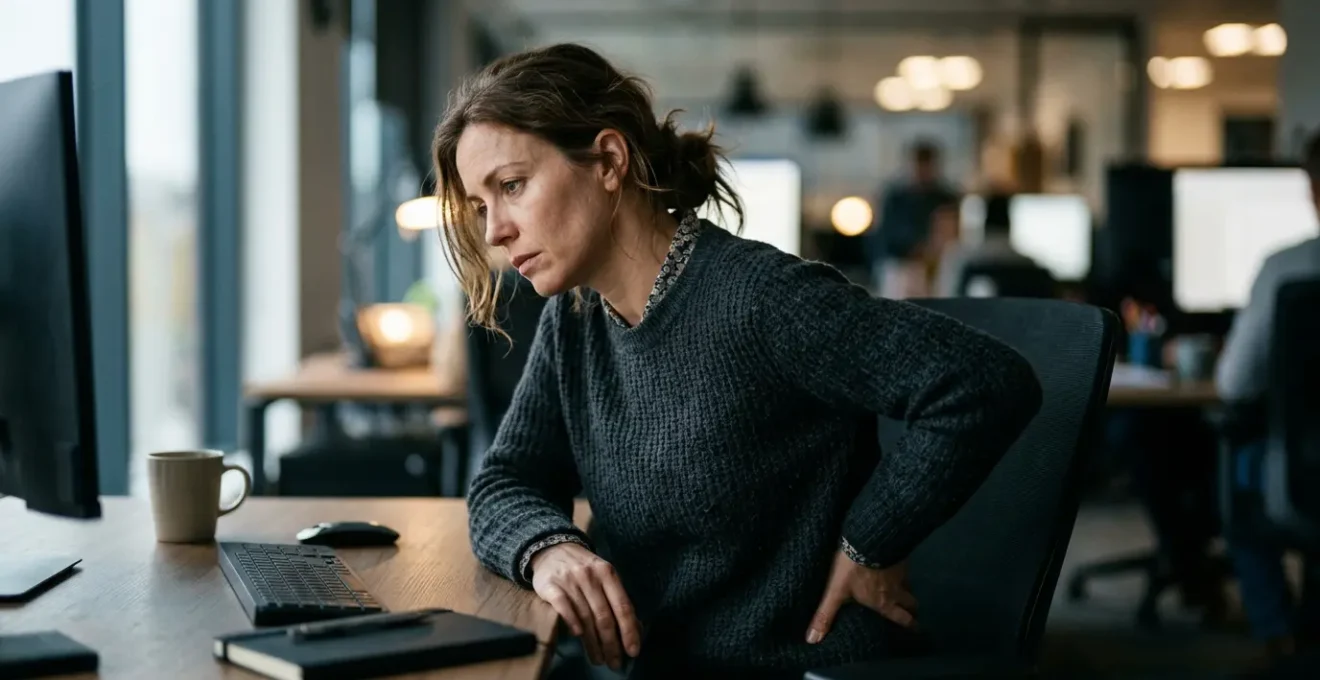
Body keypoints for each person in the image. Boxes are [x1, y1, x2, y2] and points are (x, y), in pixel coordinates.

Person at [435, 43, 1043, 678]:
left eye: (512, 186)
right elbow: (504, 479)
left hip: (781, 667)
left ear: (609, 161)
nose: (494, 231)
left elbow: (984, 381)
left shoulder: (762, 300)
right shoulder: (577, 316)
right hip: (648, 665)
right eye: (481, 206)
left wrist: (871, 540)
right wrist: (549, 549)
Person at [1216, 131, 1320, 660]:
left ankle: (1278, 636)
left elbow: (1234, 383)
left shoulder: (1286, 269)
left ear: (1314, 191)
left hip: (1305, 471)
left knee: (1237, 472)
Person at [868, 140, 961, 298]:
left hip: (936, 267)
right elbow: (885, 235)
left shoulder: (945, 198)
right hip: (900, 267)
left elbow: (952, 233)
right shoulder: (895, 197)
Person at [934, 192, 1043, 297]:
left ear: (984, 222)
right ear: (1009, 223)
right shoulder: (1030, 265)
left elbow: (945, 298)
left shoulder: (960, 258)